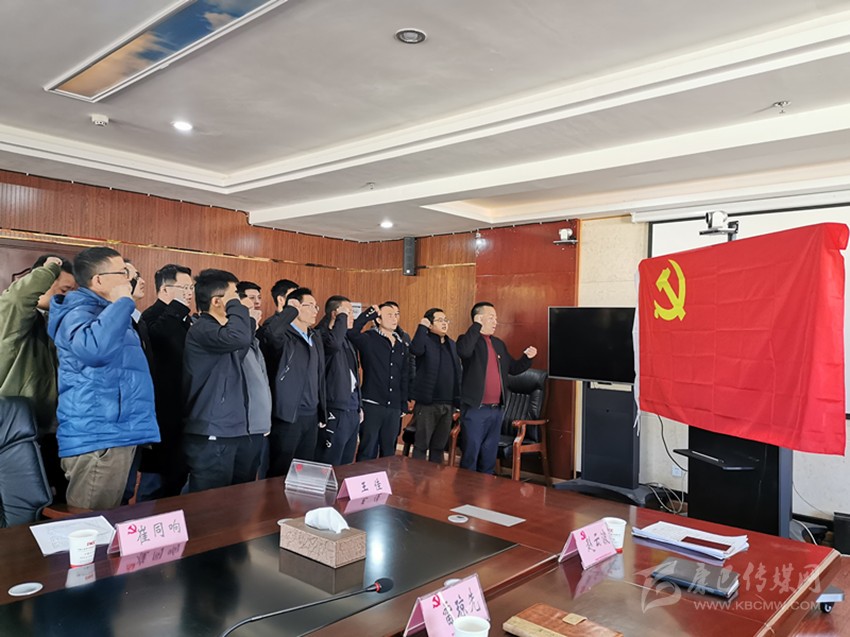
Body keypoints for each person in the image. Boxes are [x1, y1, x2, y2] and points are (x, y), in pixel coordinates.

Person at [48, 246, 160, 509]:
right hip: (99, 436)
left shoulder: (108, 312)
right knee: (90, 524)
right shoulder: (78, 312)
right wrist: (123, 303)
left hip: (117, 433)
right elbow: (94, 350)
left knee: (110, 520)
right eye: (122, 273)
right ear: (98, 280)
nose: (129, 280)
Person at [0, 254, 75, 500]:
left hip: (51, 429)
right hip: (18, 431)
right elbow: (17, 299)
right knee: (25, 504)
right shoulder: (13, 318)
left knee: (57, 500)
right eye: (63, 290)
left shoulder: (51, 321)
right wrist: (50, 269)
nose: (67, 297)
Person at [182, 269, 263, 492]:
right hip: (212, 429)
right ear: (217, 301)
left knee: (232, 497)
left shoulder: (222, 333)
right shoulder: (203, 328)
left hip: (231, 428)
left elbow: (242, 341)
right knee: (209, 499)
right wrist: (238, 307)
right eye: (234, 296)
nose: (240, 301)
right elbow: (239, 337)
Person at [456, 302, 537, 474]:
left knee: (489, 456)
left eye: (496, 318)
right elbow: (464, 352)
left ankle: (485, 489)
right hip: (475, 409)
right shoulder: (467, 340)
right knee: (471, 455)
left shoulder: (498, 344)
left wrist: (527, 358)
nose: (495, 322)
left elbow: (513, 369)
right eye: (491, 317)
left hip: (496, 410)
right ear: (478, 318)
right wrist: (476, 326)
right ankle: (466, 490)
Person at [136, 264, 194, 499]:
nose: (189, 293)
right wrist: (177, 307)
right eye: (184, 288)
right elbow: (158, 337)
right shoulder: (151, 316)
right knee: (156, 479)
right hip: (162, 409)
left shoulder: (186, 319)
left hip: (183, 407)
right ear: (165, 289)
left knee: (177, 475)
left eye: (191, 288)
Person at [259, 287, 326, 477]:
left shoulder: (314, 336)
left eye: (316, 306)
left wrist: (322, 410)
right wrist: (291, 310)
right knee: (280, 470)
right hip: (288, 415)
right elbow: (272, 333)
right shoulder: (284, 336)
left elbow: (320, 376)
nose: (315, 310)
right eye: (309, 305)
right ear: (295, 307)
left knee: (304, 470)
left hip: (311, 414)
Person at [350, 302, 409, 460]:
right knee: (367, 449)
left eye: (396, 314)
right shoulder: (369, 338)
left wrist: (403, 402)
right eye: (389, 315)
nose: (394, 318)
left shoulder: (401, 344)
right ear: (378, 319)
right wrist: (368, 314)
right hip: (372, 403)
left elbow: (404, 375)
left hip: (394, 406)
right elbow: (352, 332)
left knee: (389, 451)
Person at [316, 296, 371, 465]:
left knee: (346, 463)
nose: (351, 317)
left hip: (352, 408)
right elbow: (332, 345)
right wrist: (340, 318)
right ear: (336, 314)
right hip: (335, 408)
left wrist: (359, 405)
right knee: (330, 460)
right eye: (348, 313)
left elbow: (353, 374)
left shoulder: (347, 340)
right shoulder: (323, 335)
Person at [409, 308, 462, 463]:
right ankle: (417, 476)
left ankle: (433, 477)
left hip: (448, 403)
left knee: (439, 447)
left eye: (446, 320)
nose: (444, 323)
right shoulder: (424, 341)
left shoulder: (452, 344)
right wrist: (422, 326)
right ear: (430, 324)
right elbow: (415, 349)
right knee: (421, 445)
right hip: (428, 403)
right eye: (440, 320)